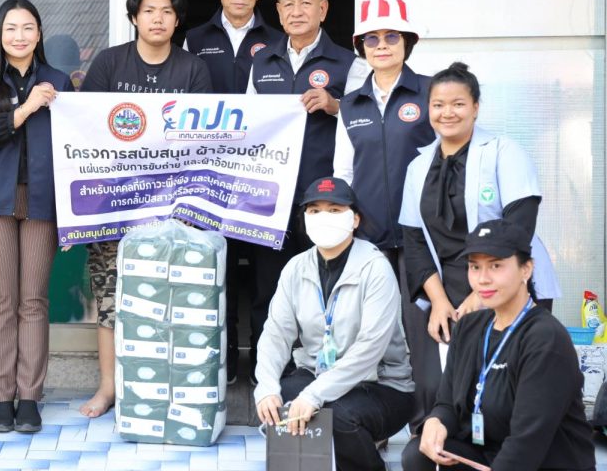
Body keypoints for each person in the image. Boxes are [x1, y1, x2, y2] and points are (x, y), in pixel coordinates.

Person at [78, 0, 211, 417]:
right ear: (134, 18)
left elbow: (201, 140)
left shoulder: (193, 70)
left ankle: (166, 385)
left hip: (175, 208)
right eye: (149, 11)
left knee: (172, 298)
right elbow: (87, 127)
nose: (158, 19)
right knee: (110, 298)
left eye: (167, 12)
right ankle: (108, 388)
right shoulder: (110, 63)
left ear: (177, 20)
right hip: (115, 207)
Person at [399, 62, 561, 423]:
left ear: (475, 107)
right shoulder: (418, 166)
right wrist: (438, 301)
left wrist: (481, 293)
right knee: (451, 388)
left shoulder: (504, 151)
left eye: (458, 104)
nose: (447, 113)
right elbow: (414, 240)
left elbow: (519, 226)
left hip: (505, 282)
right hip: (448, 288)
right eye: (438, 105)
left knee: (510, 386)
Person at [245, 0, 368, 383]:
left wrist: (335, 105)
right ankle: (268, 373)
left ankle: (326, 372)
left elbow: (366, 119)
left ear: (323, 9)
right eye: (288, 4)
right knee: (269, 285)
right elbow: (248, 123)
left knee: (325, 285)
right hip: (270, 197)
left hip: (324, 198)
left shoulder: (350, 63)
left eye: (305, 3)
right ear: (277, 12)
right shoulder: (262, 62)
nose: (296, 12)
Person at [401, 219, 594, 470]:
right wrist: (436, 421)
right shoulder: (469, 327)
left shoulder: (545, 339)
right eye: (474, 267)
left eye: (496, 266)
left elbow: (526, 445)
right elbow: (447, 403)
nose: (483, 279)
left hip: (539, 462)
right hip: (488, 455)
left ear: (526, 269)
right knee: (419, 454)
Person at [0, 0, 70, 433]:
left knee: (33, 300)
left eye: (27, 28)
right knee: (1, 301)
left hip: (43, 202)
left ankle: (29, 398)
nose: (20, 36)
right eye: (11, 28)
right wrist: (24, 110)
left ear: (39, 33)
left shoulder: (59, 82)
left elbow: (76, 144)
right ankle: (2, 398)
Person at [254, 176, 413, 471]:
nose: (323, 217)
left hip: (380, 385)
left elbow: (369, 349)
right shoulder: (296, 268)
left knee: (334, 414)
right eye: (314, 210)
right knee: (280, 402)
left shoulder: (376, 269)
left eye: (335, 210)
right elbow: (276, 334)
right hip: (317, 374)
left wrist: (313, 395)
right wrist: (266, 387)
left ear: (355, 219)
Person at [332, 0, 433, 426]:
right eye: (372, 39)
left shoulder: (430, 91)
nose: (382, 45)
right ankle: (373, 425)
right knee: (371, 332)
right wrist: (345, 226)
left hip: (420, 235)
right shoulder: (350, 103)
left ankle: (427, 426)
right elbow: (343, 171)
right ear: (361, 47)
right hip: (369, 235)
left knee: (424, 334)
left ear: (407, 42)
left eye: (392, 36)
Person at [185, 0, 285, 383]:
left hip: (263, 175)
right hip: (210, 176)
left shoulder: (279, 40)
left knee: (266, 275)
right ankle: (220, 360)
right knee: (216, 270)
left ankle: (265, 362)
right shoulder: (193, 38)